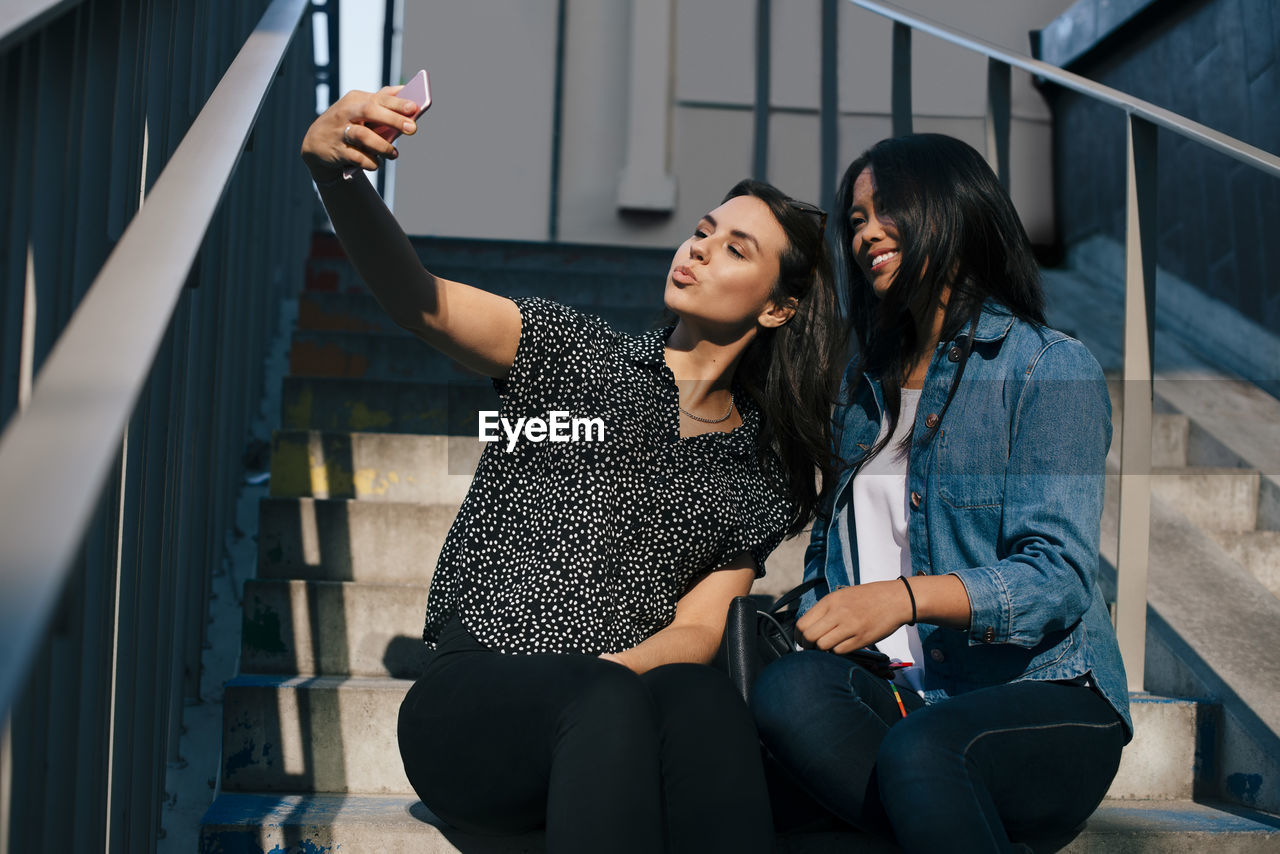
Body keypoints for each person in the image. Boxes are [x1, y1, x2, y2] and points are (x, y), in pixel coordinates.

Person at [299, 85, 844, 853]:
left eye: (734, 249)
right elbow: (420, 301)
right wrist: (336, 177)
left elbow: (695, 630)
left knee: (698, 696)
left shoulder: (757, 471)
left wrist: (605, 685)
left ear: (778, 310)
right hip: (474, 703)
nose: (697, 249)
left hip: (604, 716)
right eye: (702, 231)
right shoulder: (570, 354)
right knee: (607, 700)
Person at [750, 134, 1132, 853]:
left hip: (1041, 701)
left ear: (954, 209)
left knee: (922, 752)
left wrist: (903, 597)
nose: (864, 232)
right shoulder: (859, 390)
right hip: (894, 701)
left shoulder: (1048, 367)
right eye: (855, 218)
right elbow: (831, 566)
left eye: (885, 207)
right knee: (786, 694)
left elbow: (1057, 579)